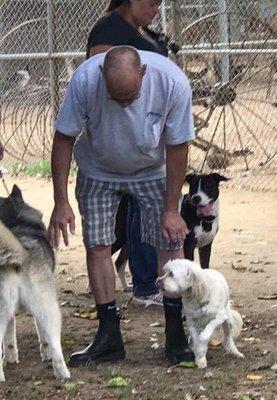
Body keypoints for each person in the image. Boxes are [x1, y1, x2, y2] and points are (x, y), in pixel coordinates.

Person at [48, 46, 195, 366]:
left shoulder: (172, 82)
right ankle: (108, 336)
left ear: (143, 74)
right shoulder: (85, 79)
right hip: (98, 169)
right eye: (117, 98)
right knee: (97, 244)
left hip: (152, 170)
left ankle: (176, 334)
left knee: (170, 242)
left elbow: (178, 145)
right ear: (102, 75)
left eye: (131, 97)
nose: (125, 104)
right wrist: (60, 200)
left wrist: (172, 207)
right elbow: (63, 137)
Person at [86, 0, 170, 307]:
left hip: (149, 137)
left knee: (153, 215)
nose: (157, 8)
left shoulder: (142, 30)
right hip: (122, 138)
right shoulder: (108, 29)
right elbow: (102, 82)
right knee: (136, 212)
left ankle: (154, 285)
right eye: (152, 2)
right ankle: (145, 284)